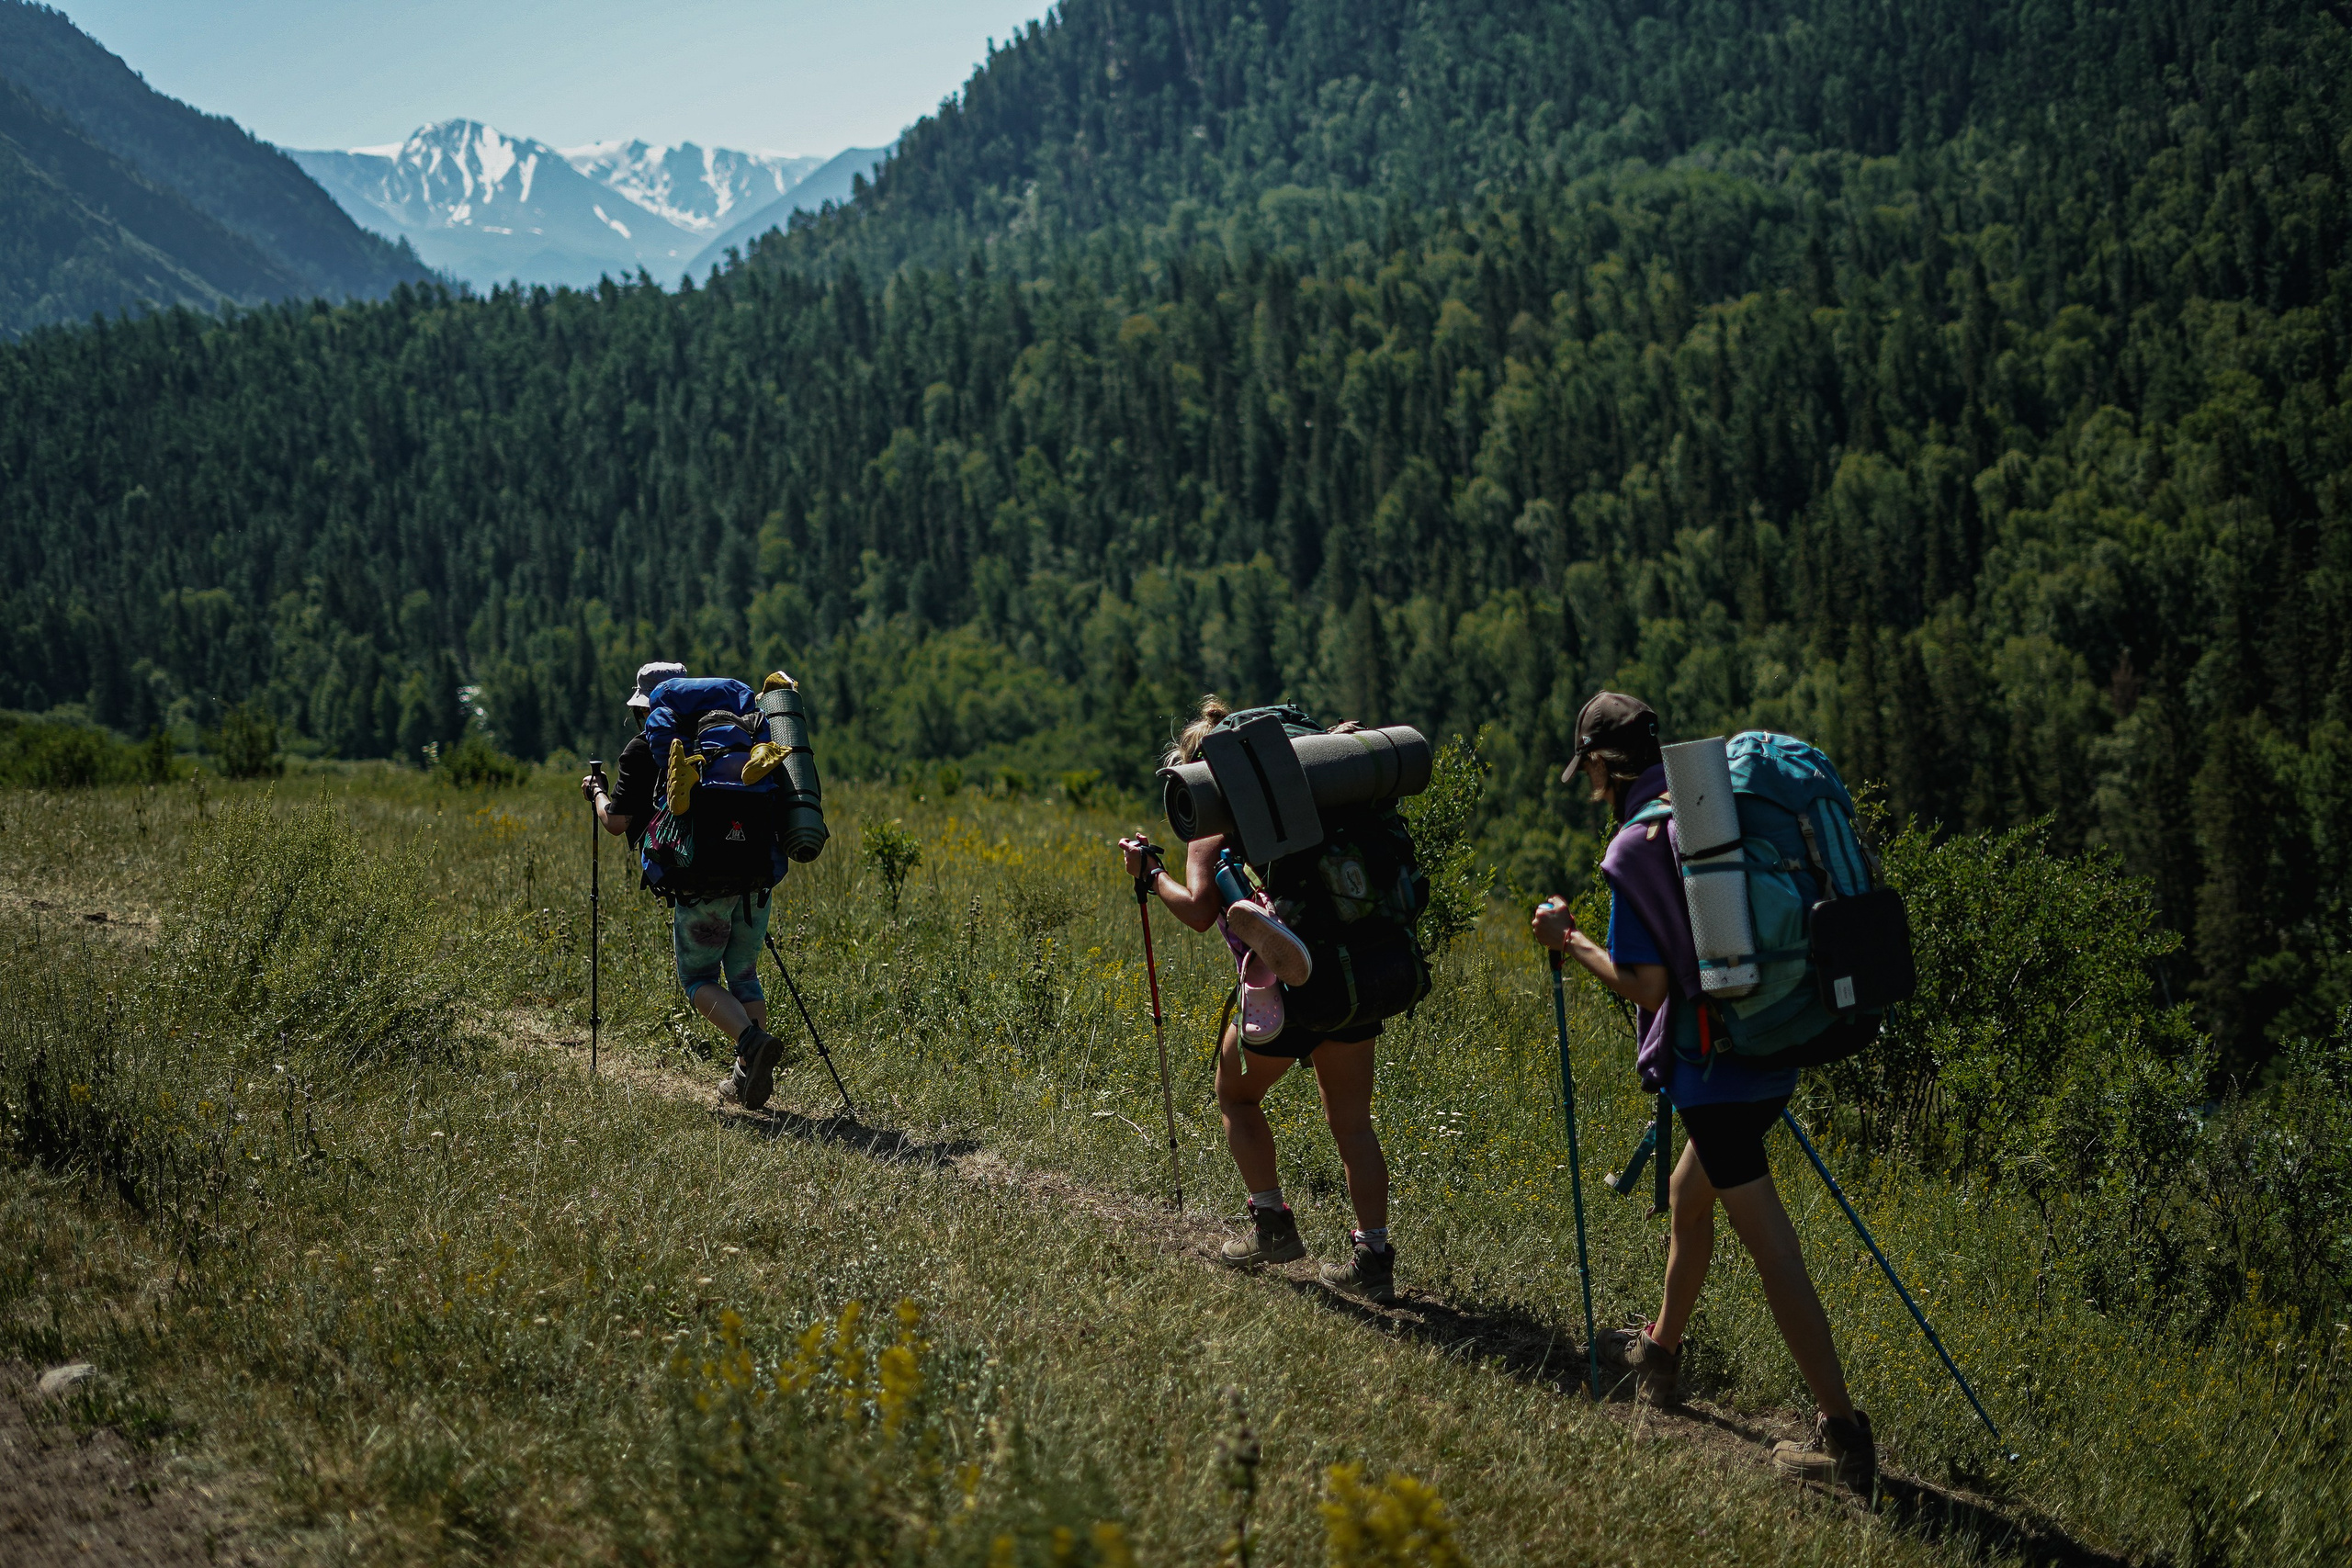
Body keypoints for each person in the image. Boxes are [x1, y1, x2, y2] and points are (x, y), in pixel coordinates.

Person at [1530, 691, 1875, 1498]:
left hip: (1713, 1070)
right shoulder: (1707, 805)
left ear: (1605, 767)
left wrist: (1568, 937)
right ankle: (1662, 1350)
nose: (1587, 784)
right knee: (1690, 1195)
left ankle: (1844, 1436)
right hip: (1772, 1041)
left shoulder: (1637, 844)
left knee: (1771, 1245)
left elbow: (1648, 987)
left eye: (1587, 769)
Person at [1118, 696, 1399, 1304]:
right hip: (1353, 970)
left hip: (1281, 990)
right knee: (1352, 1122)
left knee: (1236, 1094)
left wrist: (1149, 874)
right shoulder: (1313, 794)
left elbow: (1196, 912)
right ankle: (1374, 1257)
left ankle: (1272, 1226)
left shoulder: (1212, 824)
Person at [582, 660, 798, 1110]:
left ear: (651, 708)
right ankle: (746, 1075)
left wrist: (596, 794)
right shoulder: (737, 735)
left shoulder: (645, 749)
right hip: (755, 879)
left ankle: (751, 1044)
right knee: (743, 974)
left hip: (702, 884)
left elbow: (618, 823)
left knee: (698, 977)